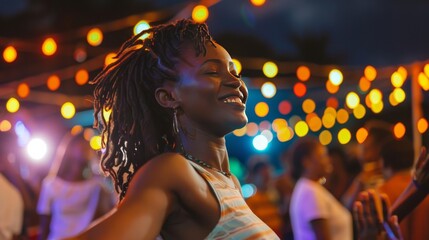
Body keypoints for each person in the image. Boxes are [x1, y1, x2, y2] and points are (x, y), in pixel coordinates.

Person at [67, 19, 280, 239]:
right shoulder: (173, 171)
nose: (235, 82)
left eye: (234, 72)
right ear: (169, 96)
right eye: (212, 72)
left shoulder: (229, 182)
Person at [37, 132, 114, 240]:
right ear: (69, 149)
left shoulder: (96, 186)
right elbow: (44, 224)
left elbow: (107, 214)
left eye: (86, 146)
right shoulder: (51, 184)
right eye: (81, 145)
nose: (84, 149)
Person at [290, 137, 352, 240]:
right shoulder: (309, 192)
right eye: (322, 156)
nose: (328, 160)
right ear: (306, 161)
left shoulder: (311, 187)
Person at [245, 156, 283, 237]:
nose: (267, 177)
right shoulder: (251, 200)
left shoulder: (273, 195)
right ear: (254, 176)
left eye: (268, 175)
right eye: (263, 175)